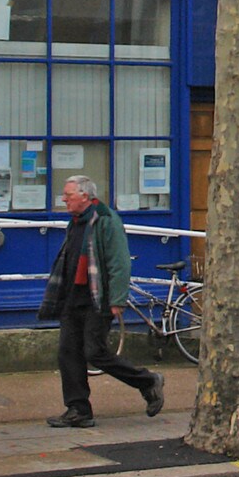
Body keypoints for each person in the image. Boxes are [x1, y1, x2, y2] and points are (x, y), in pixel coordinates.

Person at [37, 174, 165, 429]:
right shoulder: (75, 222)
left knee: (94, 352)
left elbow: (119, 262)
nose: (64, 199)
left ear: (85, 196)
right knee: (68, 353)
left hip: (98, 299)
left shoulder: (106, 221)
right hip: (73, 297)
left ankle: (147, 381)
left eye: (69, 195)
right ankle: (78, 409)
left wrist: (117, 299)